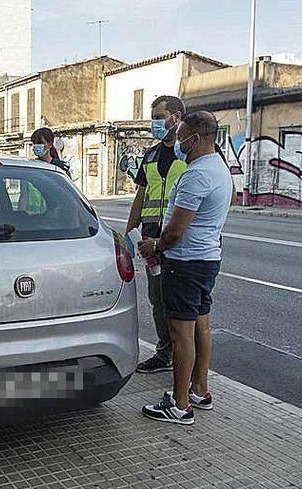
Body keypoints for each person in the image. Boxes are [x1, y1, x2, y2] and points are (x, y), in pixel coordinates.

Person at [138, 111, 233, 425]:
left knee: (181, 334)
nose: (177, 143)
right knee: (201, 327)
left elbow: (176, 231)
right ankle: (199, 390)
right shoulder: (219, 168)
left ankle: (179, 405)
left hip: (185, 263)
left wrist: (155, 246)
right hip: (207, 260)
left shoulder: (196, 175)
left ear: (196, 138)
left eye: (181, 138)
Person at [125, 95, 188, 374]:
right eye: (153, 118)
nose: (155, 123)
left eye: (159, 117)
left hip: (181, 239)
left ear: (176, 117)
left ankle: (186, 358)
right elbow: (141, 195)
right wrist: (129, 230)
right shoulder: (150, 155)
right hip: (152, 242)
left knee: (183, 304)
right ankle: (165, 354)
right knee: (158, 300)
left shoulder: (191, 153)